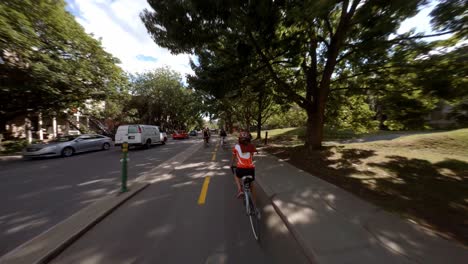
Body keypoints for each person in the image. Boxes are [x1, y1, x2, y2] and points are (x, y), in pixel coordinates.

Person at [231, 131, 257, 199]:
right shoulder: (252, 146)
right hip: (251, 169)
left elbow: (233, 157)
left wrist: (231, 164)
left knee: (236, 176)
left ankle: (240, 190)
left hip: (240, 169)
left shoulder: (236, 147)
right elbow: (252, 157)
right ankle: (255, 204)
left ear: (239, 139)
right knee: (252, 185)